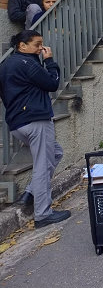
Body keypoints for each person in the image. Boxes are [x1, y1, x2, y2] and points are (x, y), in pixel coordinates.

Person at [0, 30, 71, 228]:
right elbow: (52, 83)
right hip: (36, 120)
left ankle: (31, 192)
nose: (41, 48)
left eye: (41, 44)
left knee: (55, 153)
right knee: (42, 165)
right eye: (37, 44)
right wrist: (50, 62)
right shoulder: (28, 63)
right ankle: (43, 214)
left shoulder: (5, 65)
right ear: (22, 45)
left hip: (17, 123)